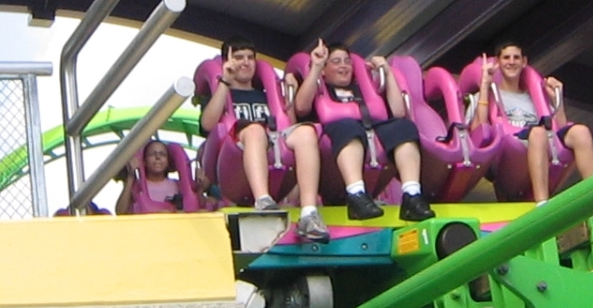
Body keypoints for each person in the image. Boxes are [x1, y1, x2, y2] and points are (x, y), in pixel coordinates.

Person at [199, 40, 329, 242]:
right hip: (234, 165)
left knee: (306, 132)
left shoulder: (268, 95)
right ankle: (262, 200)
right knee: (255, 131)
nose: (246, 62)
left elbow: (288, 126)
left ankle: (309, 214)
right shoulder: (222, 94)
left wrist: (290, 98)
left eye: (250, 58)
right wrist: (225, 81)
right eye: (239, 57)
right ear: (227, 61)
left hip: (273, 156)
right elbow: (207, 124)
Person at [291, 41, 434, 223]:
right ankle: (356, 195)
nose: (344, 66)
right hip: (338, 134)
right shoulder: (319, 89)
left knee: (404, 127)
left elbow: (398, 112)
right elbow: (301, 107)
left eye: (347, 61)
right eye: (336, 61)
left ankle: (412, 195)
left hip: (371, 128)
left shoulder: (364, 89)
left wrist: (387, 73)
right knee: (349, 127)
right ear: (325, 70)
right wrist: (317, 66)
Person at [469, 40, 593, 204]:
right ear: (498, 62)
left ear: (524, 62)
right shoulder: (487, 95)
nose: (511, 62)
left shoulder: (537, 97)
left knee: (581, 132)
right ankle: (542, 203)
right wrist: (485, 85)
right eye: (506, 57)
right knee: (538, 133)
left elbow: (560, 127)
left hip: (544, 145)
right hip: (510, 151)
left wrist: (557, 99)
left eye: (516, 57)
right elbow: (478, 128)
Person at [115, 139, 205, 215]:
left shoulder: (178, 185)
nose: (158, 157)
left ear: (168, 162)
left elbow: (198, 208)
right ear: (144, 161)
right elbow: (120, 211)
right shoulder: (137, 187)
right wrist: (130, 177)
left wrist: (200, 187)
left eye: (162, 154)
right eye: (152, 154)